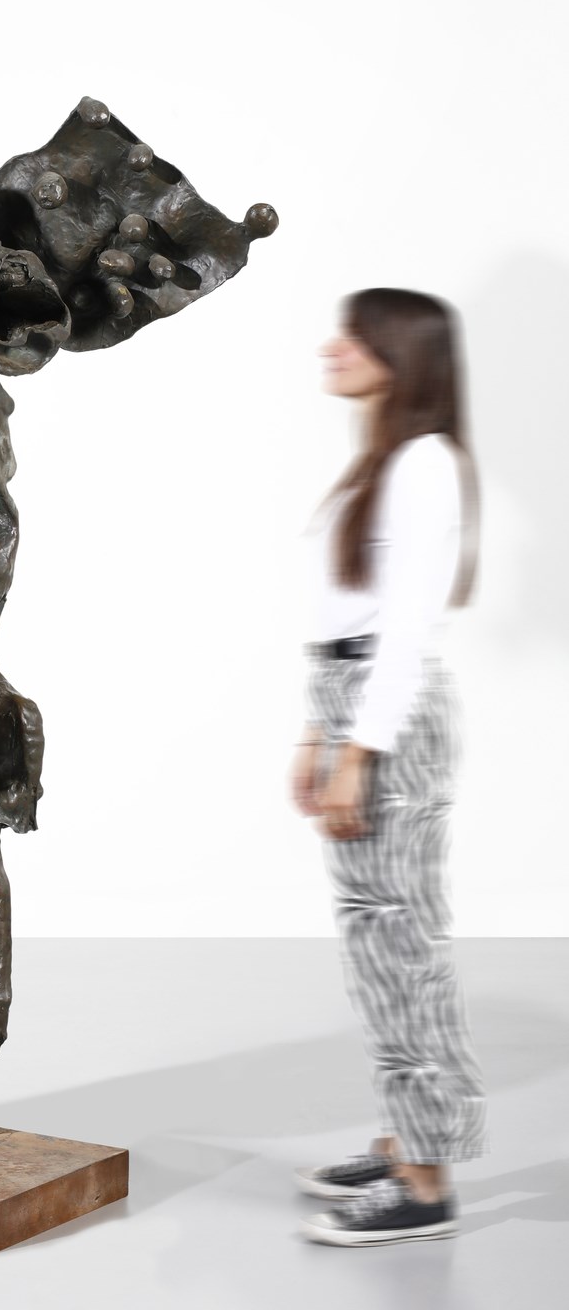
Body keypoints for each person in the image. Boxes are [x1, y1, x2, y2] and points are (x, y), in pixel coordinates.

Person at [288, 286, 489, 1247]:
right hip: (353, 701)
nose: (334, 348)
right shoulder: (385, 459)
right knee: (377, 942)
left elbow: (406, 628)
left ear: (402, 358)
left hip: (387, 715)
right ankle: (403, 1136)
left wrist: (359, 750)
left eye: (358, 338)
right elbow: (348, 615)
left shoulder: (423, 464)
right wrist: (317, 736)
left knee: (403, 945)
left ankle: (426, 1182)